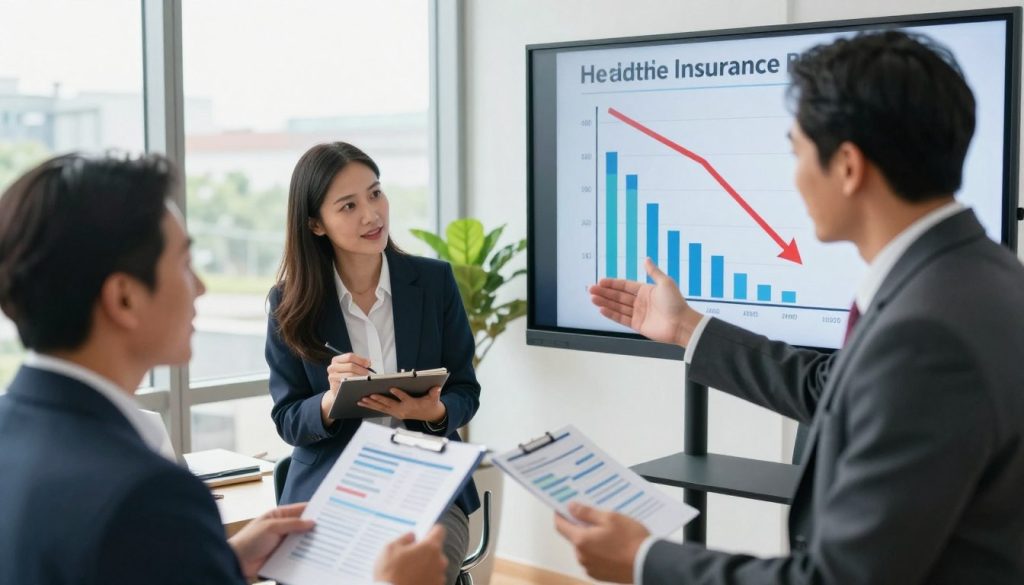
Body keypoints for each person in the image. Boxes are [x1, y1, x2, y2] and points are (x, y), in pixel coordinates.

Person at [556, 31, 1024, 584]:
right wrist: (686, 327)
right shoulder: (976, 276)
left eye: (797, 151)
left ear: (848, 167)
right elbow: (835, 387)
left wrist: (643, 560)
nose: (794, 175)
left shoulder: (926, 334)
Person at [0, 153, 448, 585]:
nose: (200, 287)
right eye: (183, 263)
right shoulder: (150, 495)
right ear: (124, 299)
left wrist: (221, 565)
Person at [266, 141, 481, 584]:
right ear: (316, 225)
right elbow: (287, 417)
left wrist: (435, 411)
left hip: (428, 485)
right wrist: (328, 400)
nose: (371, 214)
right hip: (334, 490)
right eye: (348, 205)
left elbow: (465, 390)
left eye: (375, 193)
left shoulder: (434, 282)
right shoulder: (289, 303)